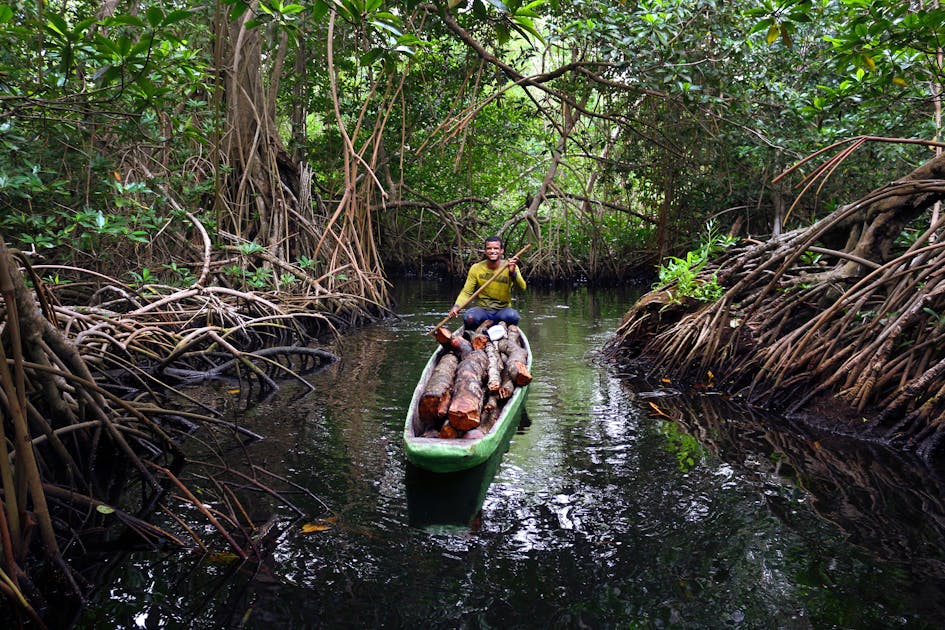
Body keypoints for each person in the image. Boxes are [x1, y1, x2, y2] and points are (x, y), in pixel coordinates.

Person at [449, 235, 526, 328]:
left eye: (496, 248)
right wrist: (456, 306)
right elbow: (466, 292)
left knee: (513, 317)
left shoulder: (511, 266)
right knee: (469, 318)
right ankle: (476, 334)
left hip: (503, 311)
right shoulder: (476, 268)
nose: (492, 251)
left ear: (501, 251)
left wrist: (513, 273)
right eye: (489, 248)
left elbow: (522, 288)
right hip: (483, 311)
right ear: (485, 251)